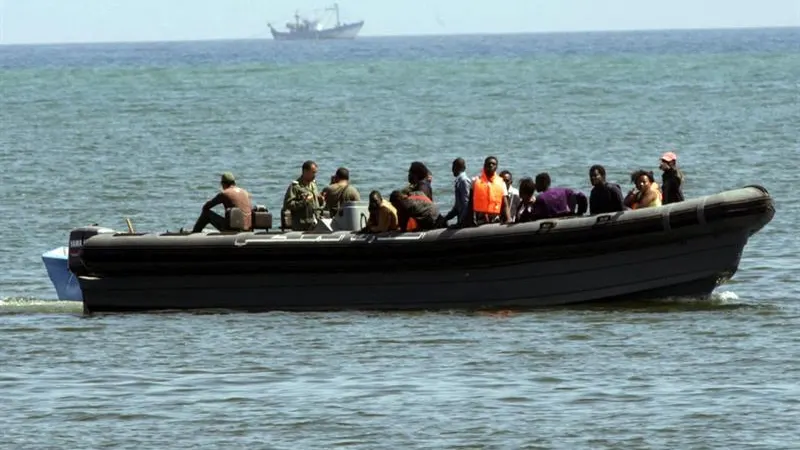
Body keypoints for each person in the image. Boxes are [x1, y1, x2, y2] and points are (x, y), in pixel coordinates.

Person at [523, 172, 588, 221]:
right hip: (567, 219)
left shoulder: (540, 198)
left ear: (542, 183)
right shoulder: (565, 191)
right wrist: (579, 213)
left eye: (536, 182)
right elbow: (582, 197)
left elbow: (533, 216)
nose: (535, 185)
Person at [283, 160, 324, 231]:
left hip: (315, 223)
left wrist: (321, 201)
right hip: (302, 225)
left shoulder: (313, 185)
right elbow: (288, 204)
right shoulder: (295, 187)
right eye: (313, 172)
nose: (315, 175)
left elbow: (316, 204)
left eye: (315, 173)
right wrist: (303, 202)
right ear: (305, 171)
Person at [470, 156, 511, 225]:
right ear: (484, 166)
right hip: (480, 220)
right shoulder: (475, 181)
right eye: (488, 163)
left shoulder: (501, 183)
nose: (491, 165)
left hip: (496, 219)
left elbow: (505, 204)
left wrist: (508, 219)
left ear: (496, 167)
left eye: (493, 164)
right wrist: (470, 220)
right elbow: (470, 203)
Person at [441, 158, 472, 227]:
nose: (453, 170)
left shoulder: (464, 181)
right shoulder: (459, 181)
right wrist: (446, 218)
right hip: (461, 220)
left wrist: (460, 222)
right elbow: (458, 206)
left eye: (455, 167)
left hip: (464, 222)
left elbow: (466, 203)